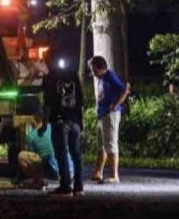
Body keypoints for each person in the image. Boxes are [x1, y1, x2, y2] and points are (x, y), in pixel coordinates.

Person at [44, 61, 84, 196]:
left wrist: (44, 123)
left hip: (60, 120)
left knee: (61, 154)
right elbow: (81, 100)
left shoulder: (50, 78)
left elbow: (48, 103)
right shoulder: (74, 76)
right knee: (76, 154)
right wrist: (81, 122)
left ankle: (65, 186)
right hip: (75, 120)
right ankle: (79, 187)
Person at [88, 55, 130, 184]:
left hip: (110, 115)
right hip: (102, 114)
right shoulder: (101, 78)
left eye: (94, 69)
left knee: (111, 144)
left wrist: (116, 105)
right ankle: (98, 172)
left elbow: (124, 90)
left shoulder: (110, 76)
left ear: (101, 68)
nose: (92, 72)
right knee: (101, 145)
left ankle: (114, 175)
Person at [17, 108, 72, 189]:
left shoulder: (31, 136)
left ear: (34, 119)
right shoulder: (55, 128)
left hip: (54, 171)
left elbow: (34, 156)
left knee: (21, 156)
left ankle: (37, 179)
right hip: (69, 171)